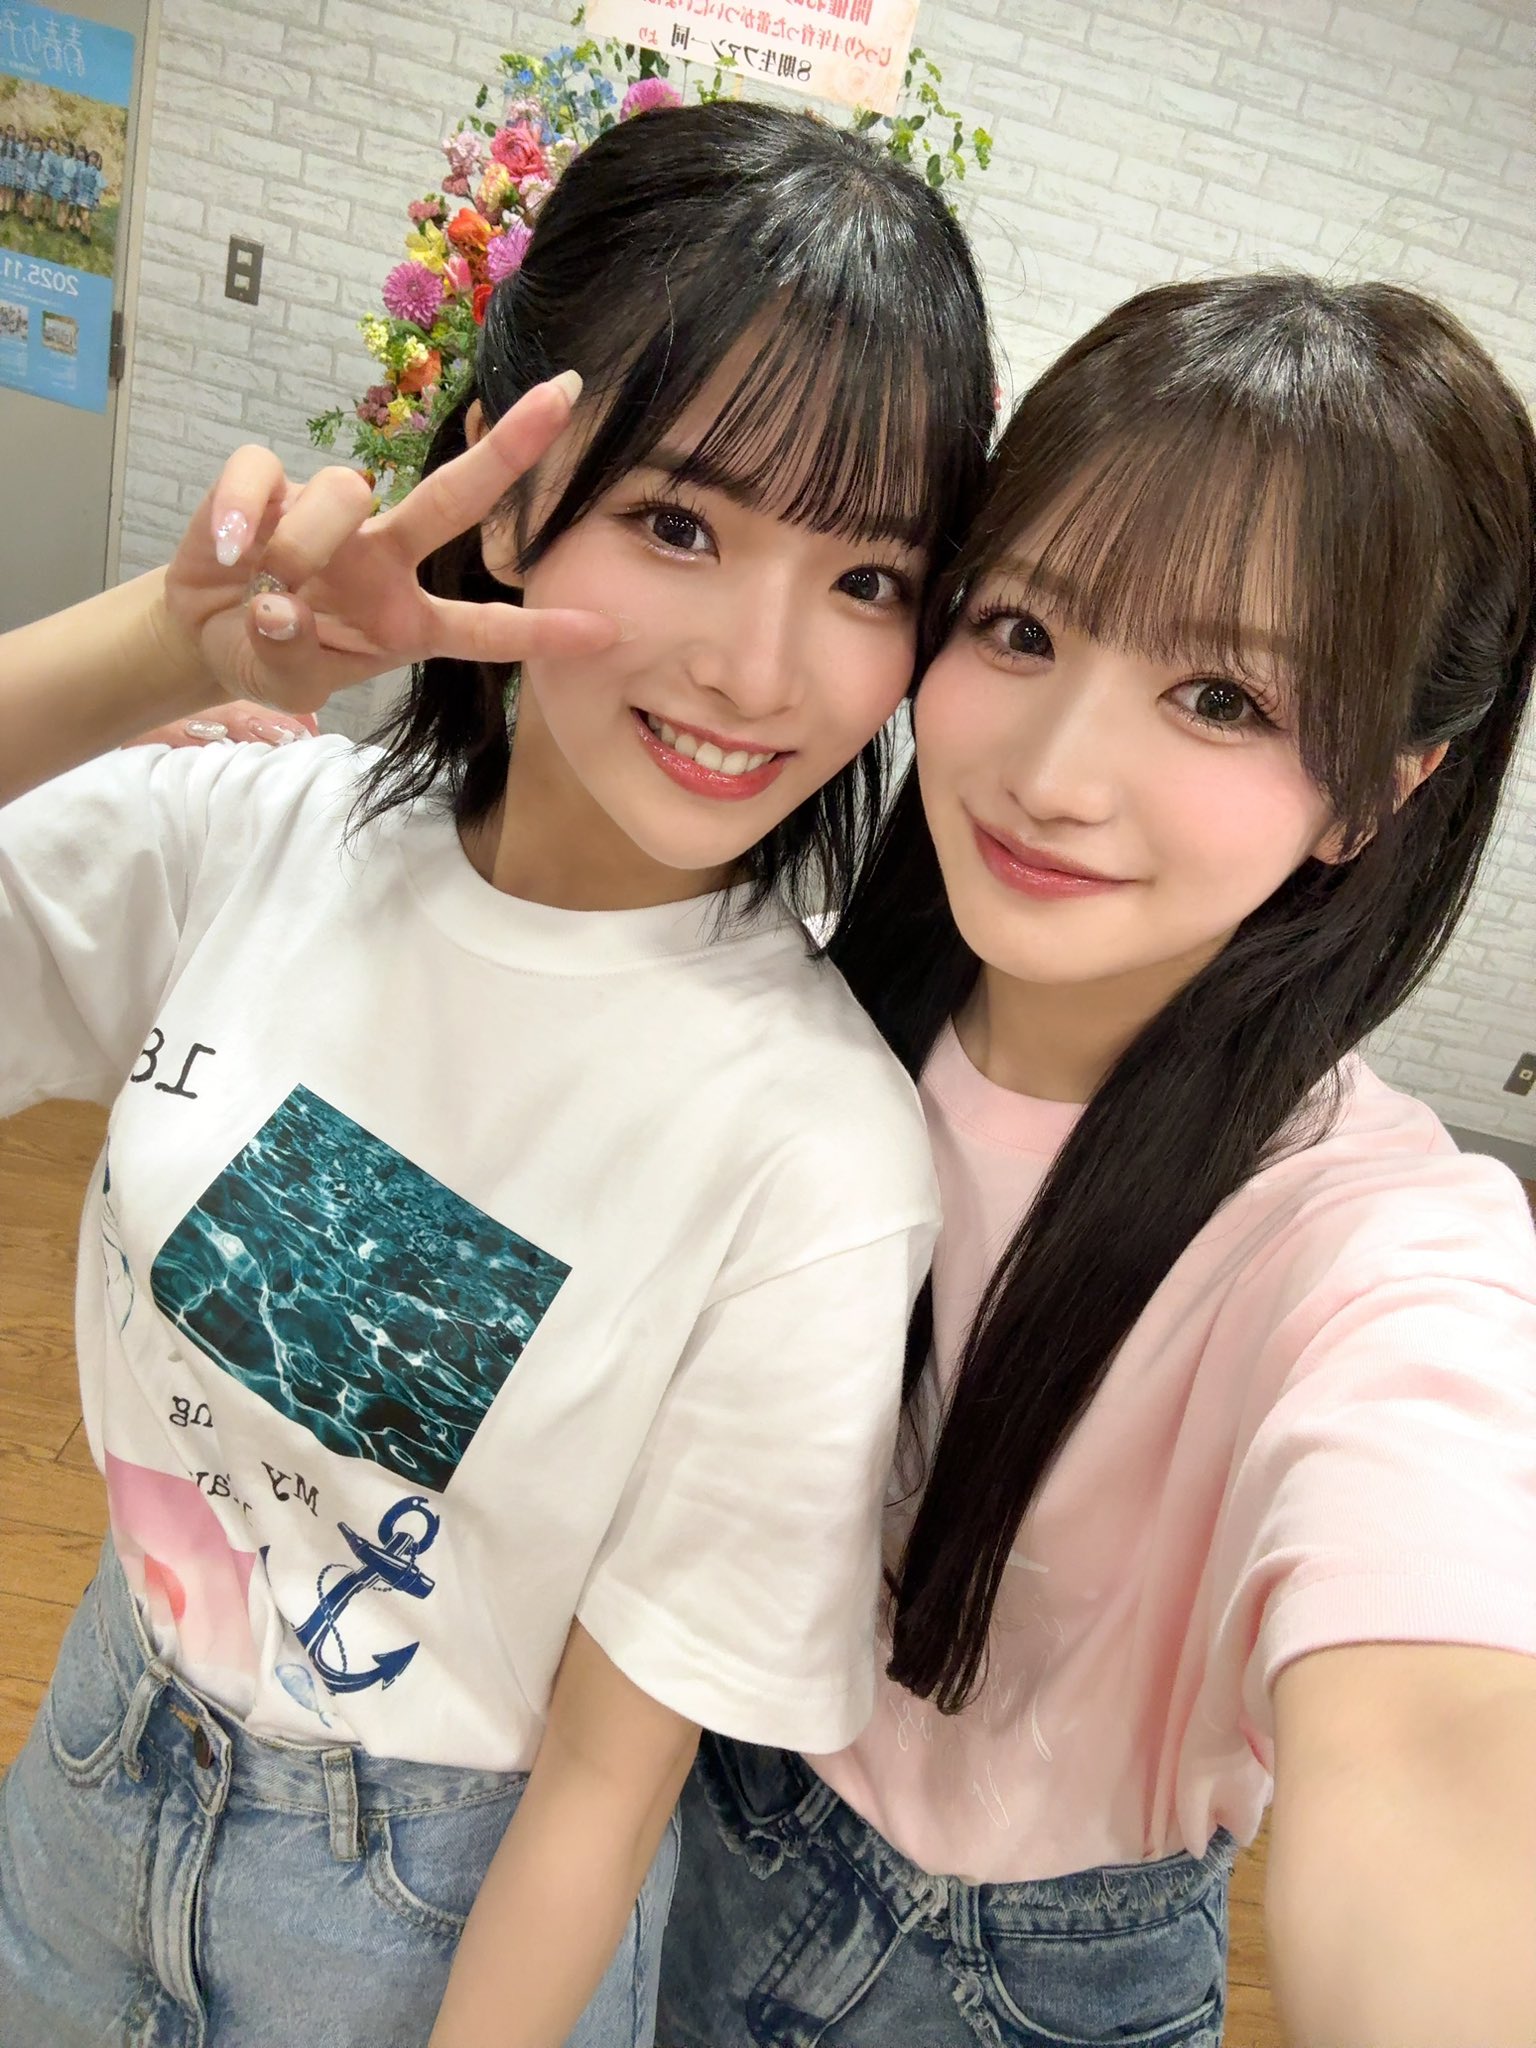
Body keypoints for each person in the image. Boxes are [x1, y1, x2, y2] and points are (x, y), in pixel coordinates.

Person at [0, 101, 994, 2048]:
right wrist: (168, 648)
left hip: (421, 1925)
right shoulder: (257, 836)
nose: (761, 668)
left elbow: (611, 1789)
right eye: (683, 523)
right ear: (509, 495)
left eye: (869, 579)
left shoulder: (819, 1148)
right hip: (97, 1760)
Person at [658, 274, 1536, 2048]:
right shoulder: (788, 1007)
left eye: (1219, 697)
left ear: (1381, 789)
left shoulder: (1373, 1243)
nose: (1055, 774)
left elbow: (1442, 1748)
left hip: (1026, 1987)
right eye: (1021, 628)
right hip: (682, 1799)